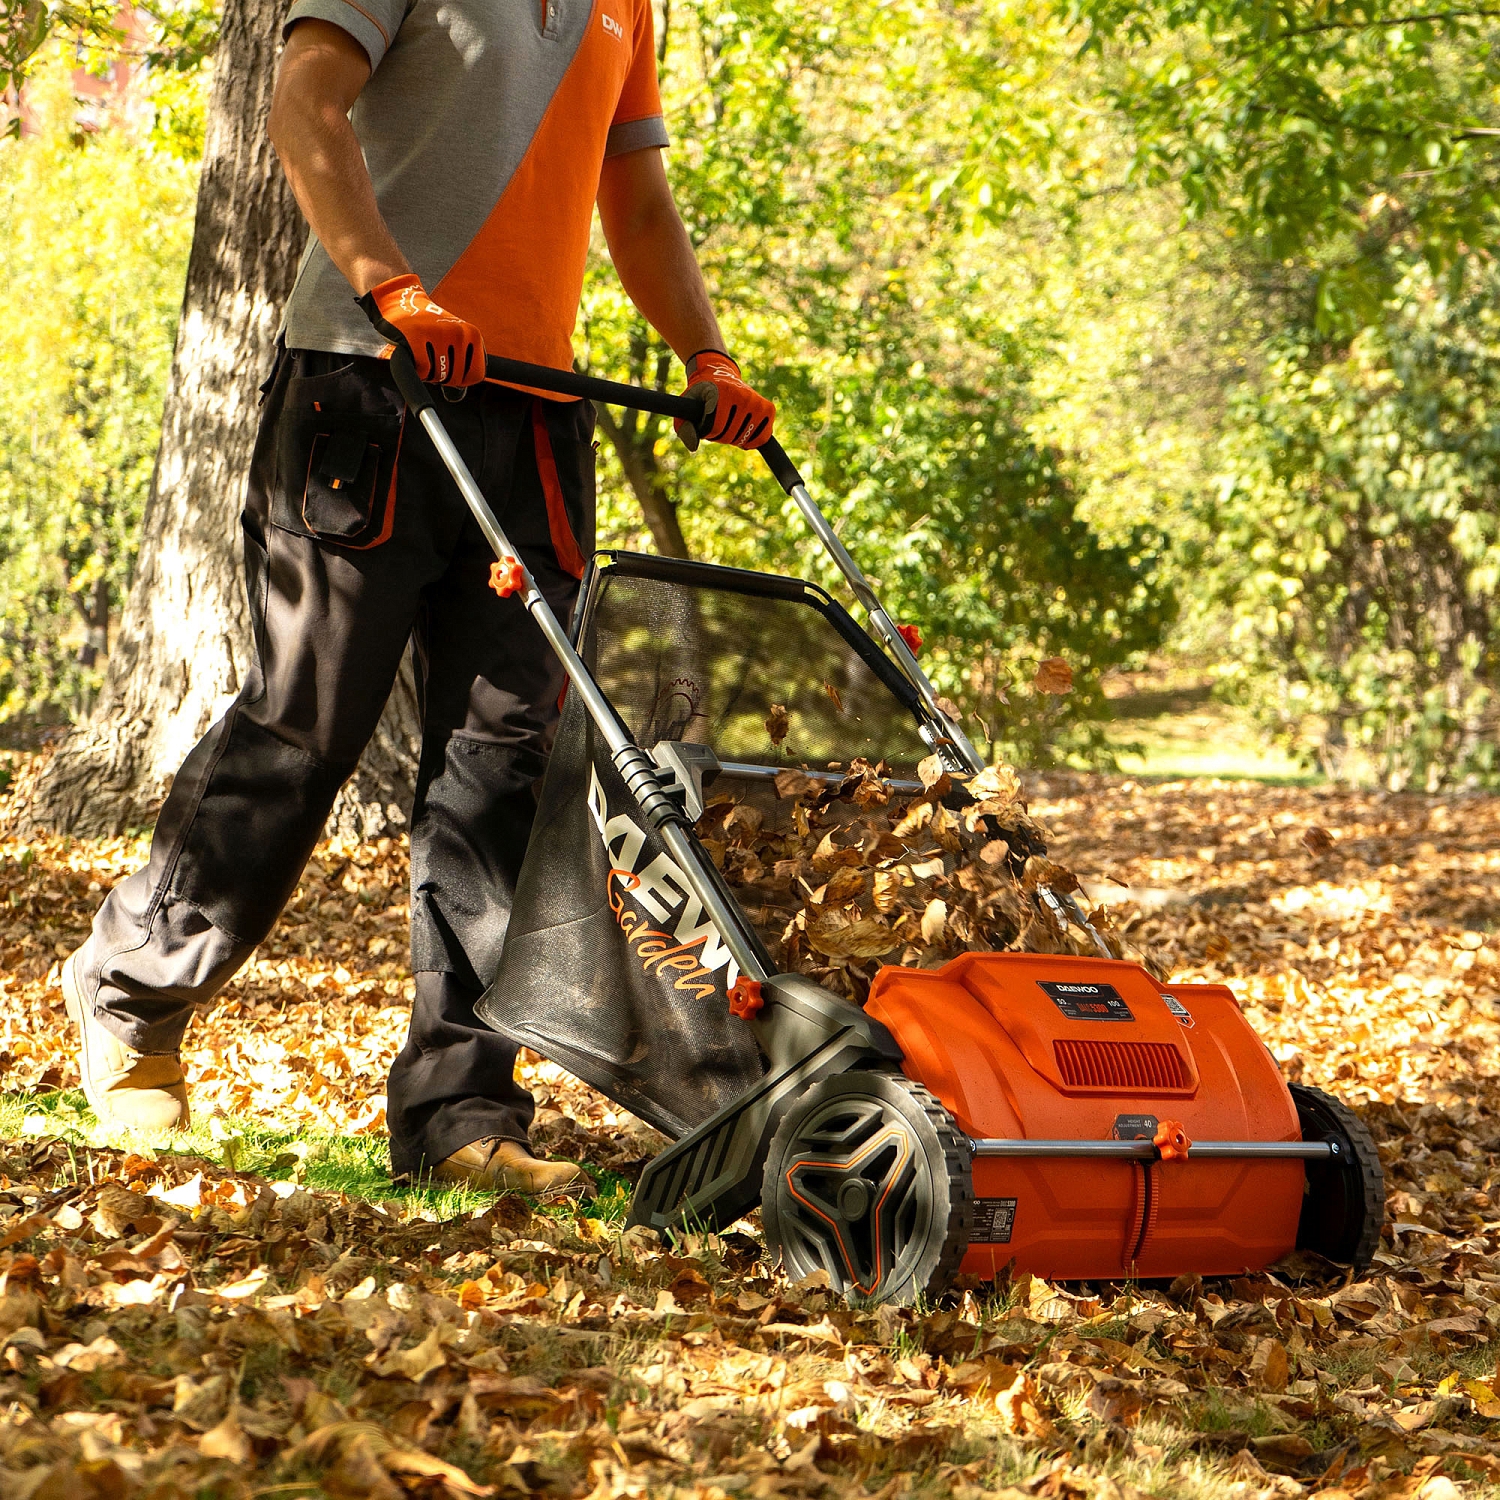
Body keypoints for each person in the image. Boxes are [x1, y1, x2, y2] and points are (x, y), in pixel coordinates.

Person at [62, 0, 775, 1197]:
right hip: (371, 378)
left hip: (537, 405)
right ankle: (133, 990)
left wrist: (707, 356)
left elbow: (636, 201)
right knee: (307, 725)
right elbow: (305, 102)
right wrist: (389, 284)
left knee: (506, 761)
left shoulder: (627, 7)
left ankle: (463, 1113)